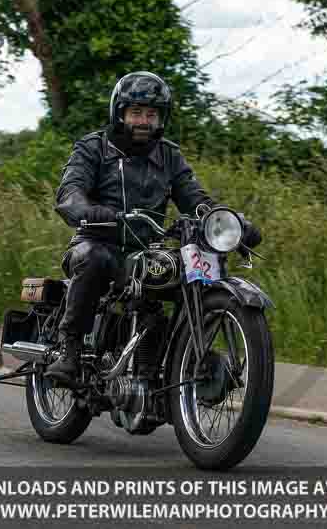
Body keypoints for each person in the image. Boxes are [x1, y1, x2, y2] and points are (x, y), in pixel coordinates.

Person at [48, 71, 262, 382]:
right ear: (120, 113)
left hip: (146, 251)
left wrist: (234, 224)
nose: (144, 121)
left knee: (188, 274)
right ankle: (70, 350)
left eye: (151, 114)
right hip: (96, 241)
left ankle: (164, 366)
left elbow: (196, 199)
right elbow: (70, 191)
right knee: (95, 258)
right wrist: (87, 210)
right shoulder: (93, 147)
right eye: (136, 112)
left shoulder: (169, 155)